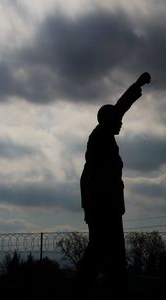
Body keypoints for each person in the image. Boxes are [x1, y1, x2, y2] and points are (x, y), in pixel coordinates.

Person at [73, 72, 151, 299]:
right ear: (108, 119)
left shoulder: (103, 141)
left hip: (107, 206)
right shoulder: (100, 136)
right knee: (100, 252)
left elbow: (86, 177)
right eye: (117, 119)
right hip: (103, 206)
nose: (121, 123)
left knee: (111, 254)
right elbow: (121, 106)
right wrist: (137, 85)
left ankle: (112, 291)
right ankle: (86, 292)